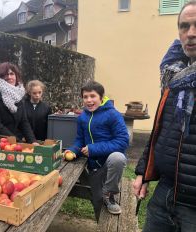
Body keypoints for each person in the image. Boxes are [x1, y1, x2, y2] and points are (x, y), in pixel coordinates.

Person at [133, 2, 196, 231]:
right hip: (165, 195)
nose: (191, 34)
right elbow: (160, 129)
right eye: (184, 26)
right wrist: (144, 172)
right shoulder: (174, 76)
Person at [65, 81, 129, 221]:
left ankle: (109, 194)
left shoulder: (113, 115)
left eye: (92, 96)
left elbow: (123, 141)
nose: (89, 100)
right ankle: (102, 204)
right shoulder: (82, 117)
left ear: (101, 97)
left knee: (117, 158)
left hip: (110, 165)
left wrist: (93, 149)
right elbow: (80, 140)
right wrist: (73, 150)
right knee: (97, 201)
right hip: (94, 166)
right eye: (85, 97)